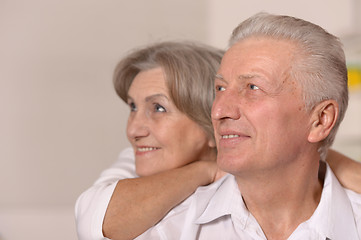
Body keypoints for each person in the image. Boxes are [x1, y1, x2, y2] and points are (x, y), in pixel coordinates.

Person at [75, 39, 361, 239]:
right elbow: (97, 219)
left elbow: (297, 147)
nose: (133, 130)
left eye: (158, 108)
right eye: (133, 107)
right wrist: (205, 170)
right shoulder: (143, 186)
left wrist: (321, 155)